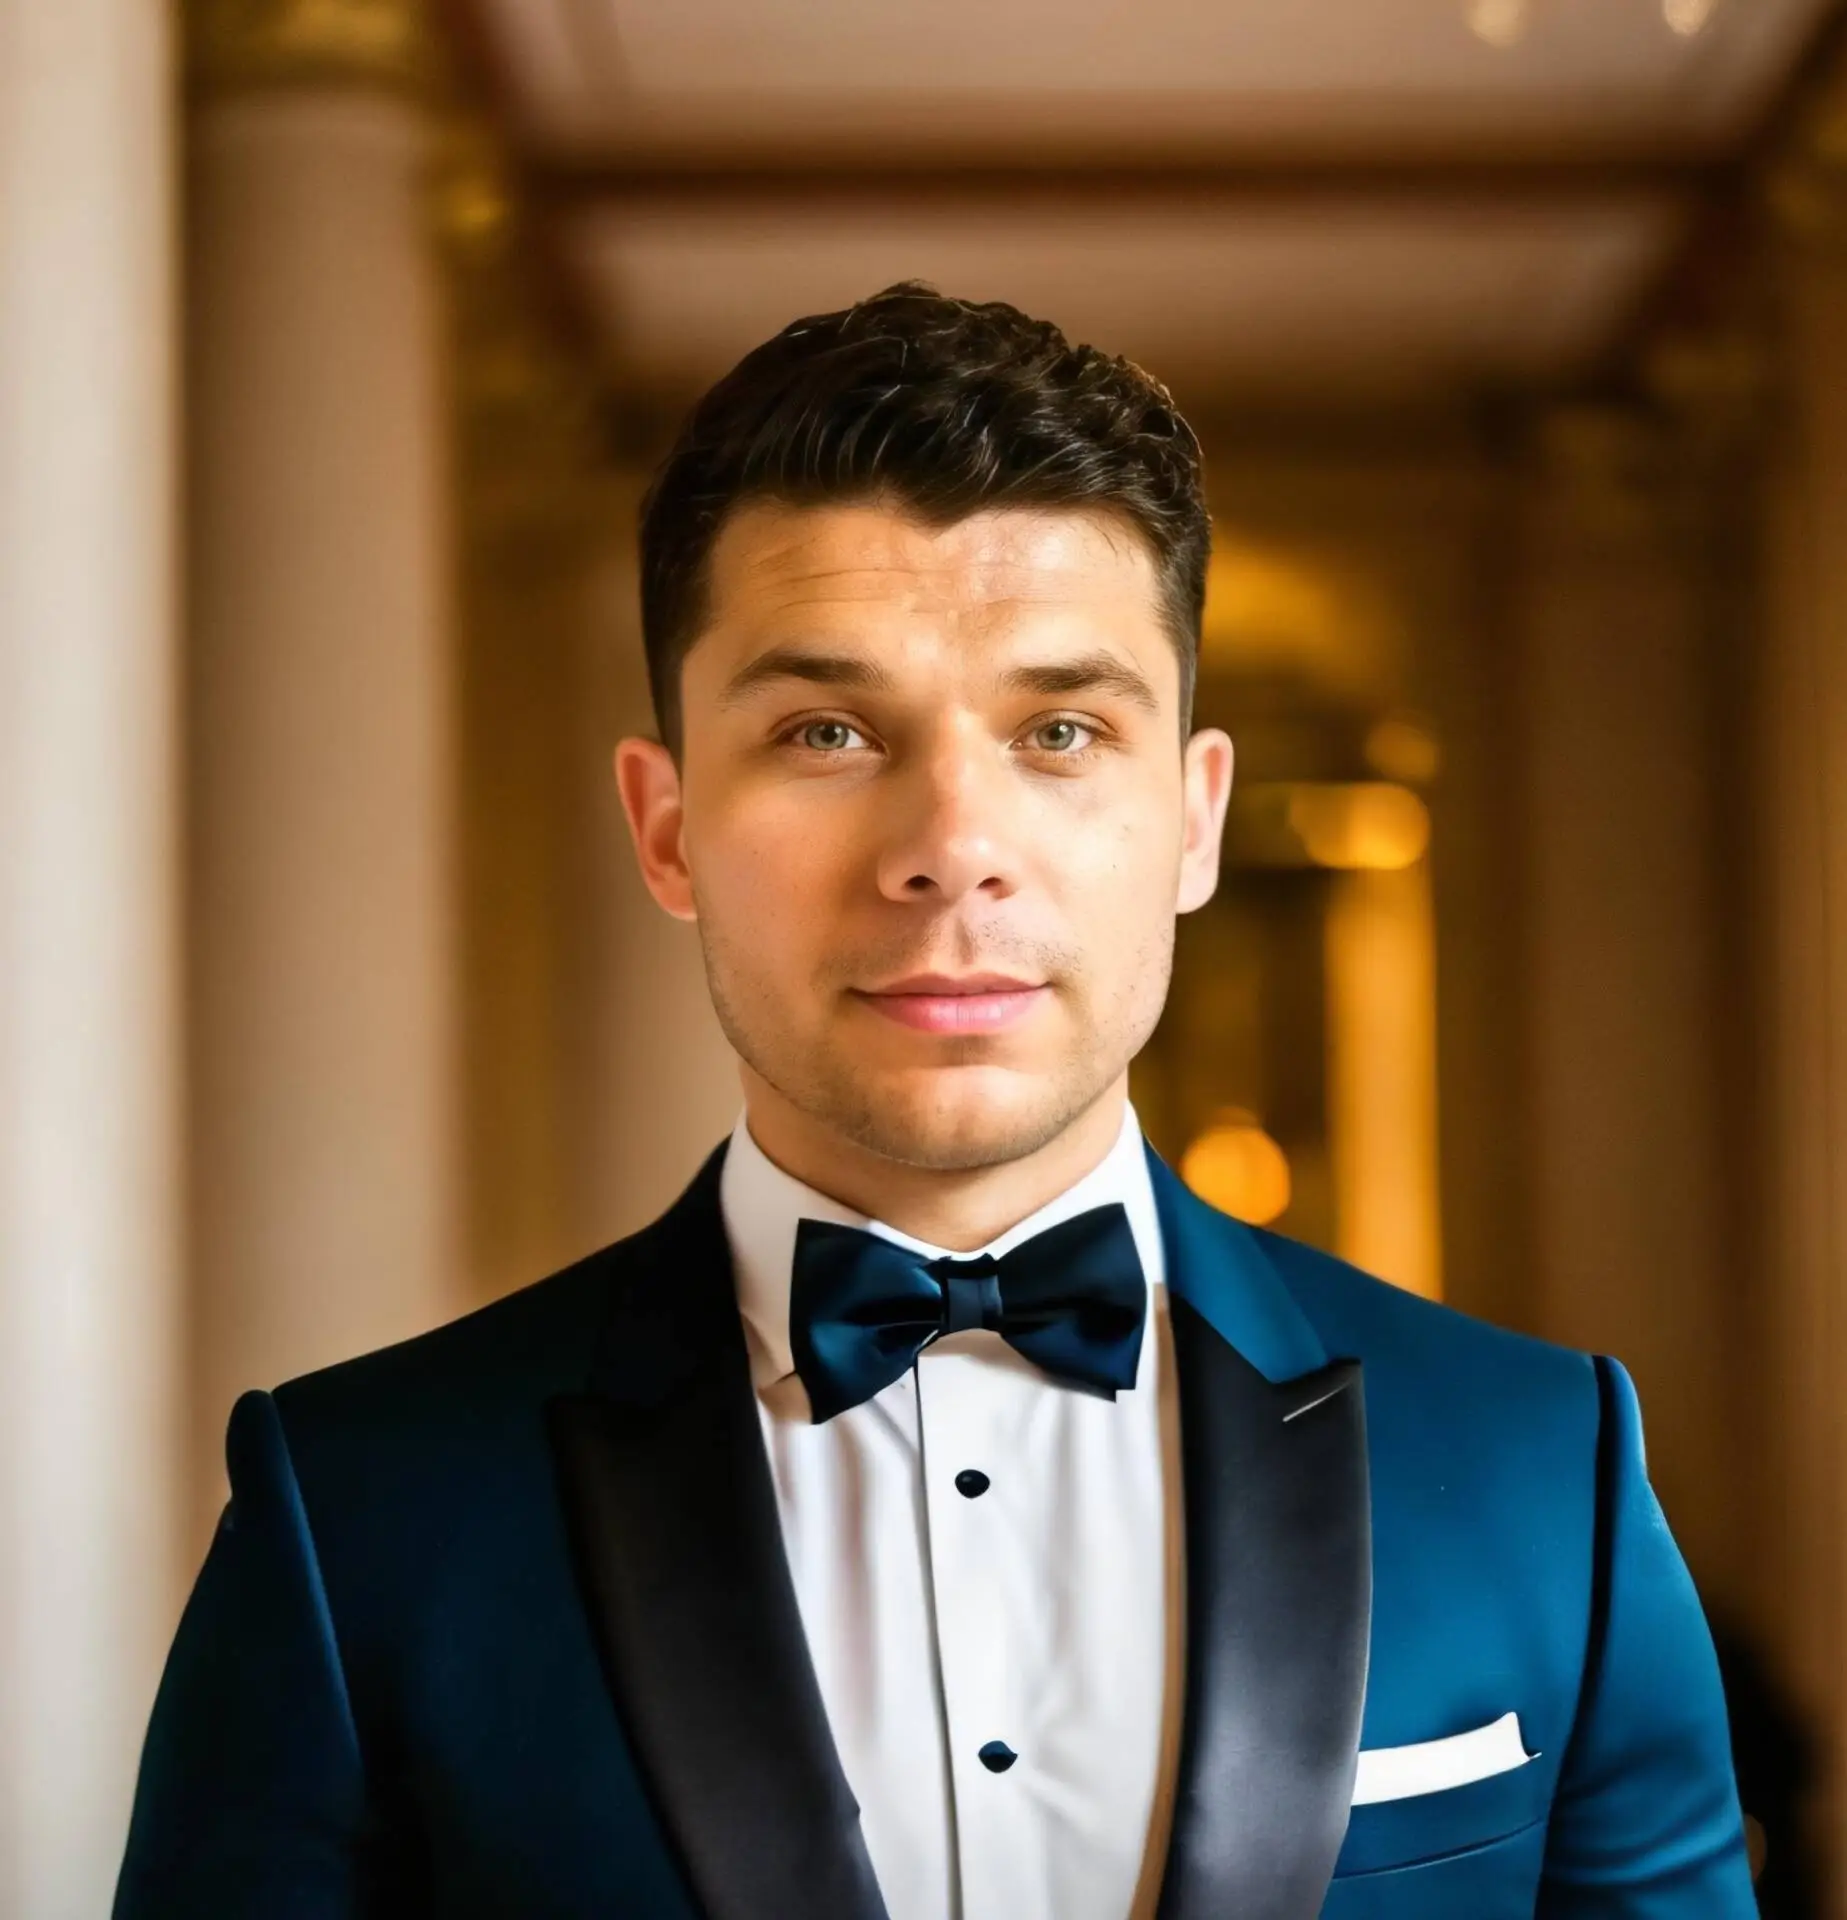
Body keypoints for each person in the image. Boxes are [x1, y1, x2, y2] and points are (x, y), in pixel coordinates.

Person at [114, 284, 1753, 1919]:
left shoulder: (1550, 1475)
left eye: (1058, 730)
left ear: (1190, 821)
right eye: (827, 731)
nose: (948, 844)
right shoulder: (358, 1516)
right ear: (667, 824)